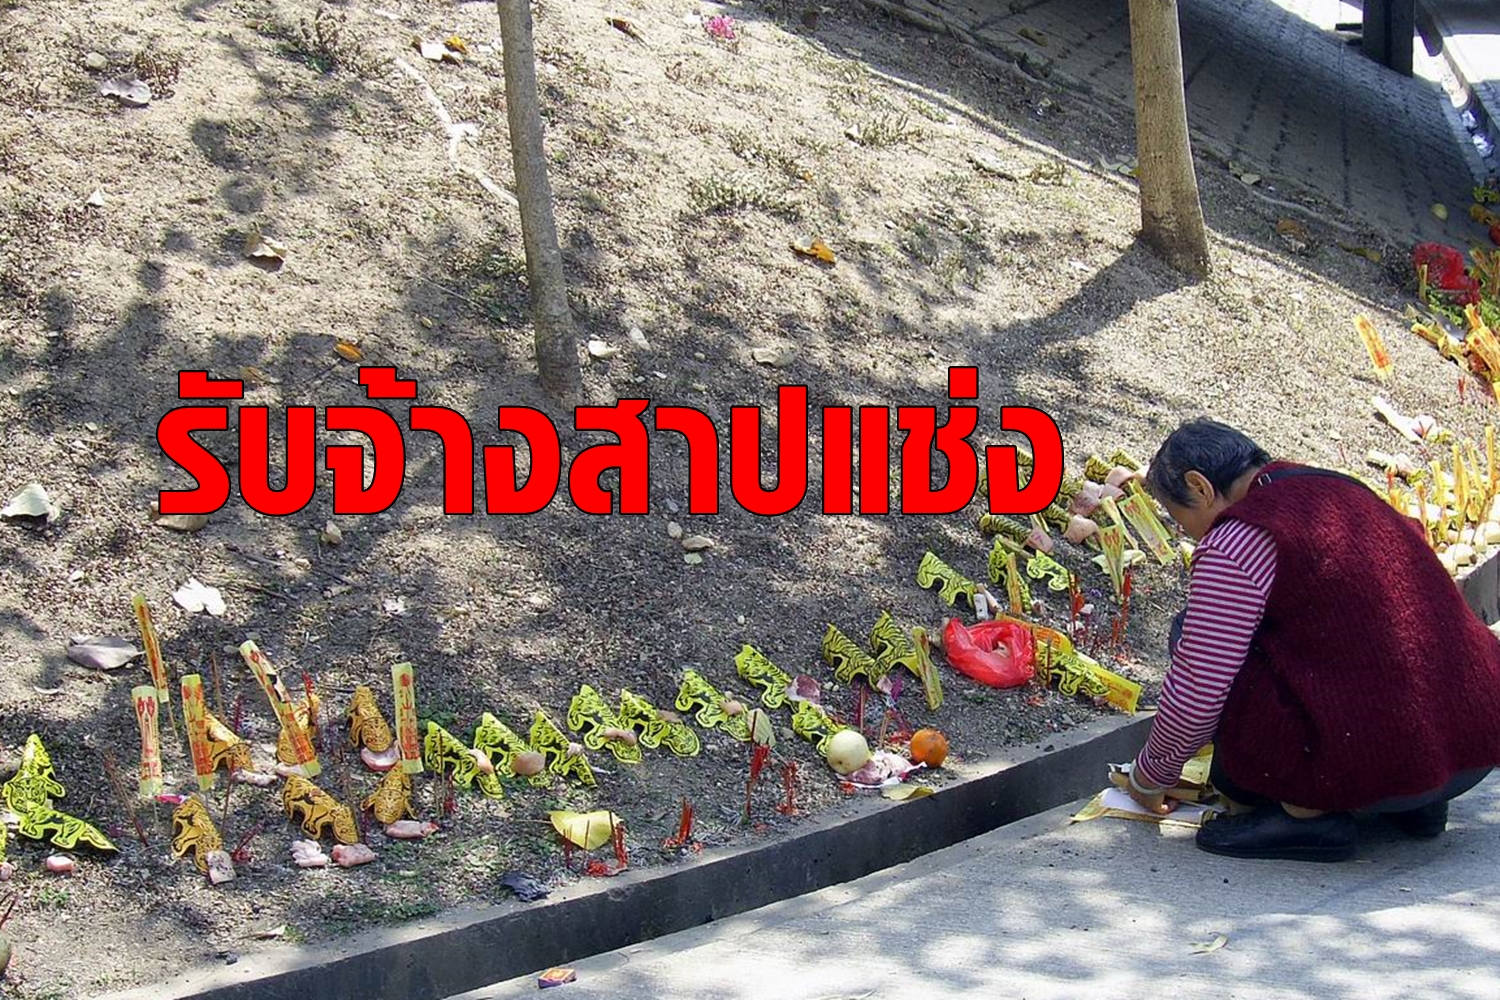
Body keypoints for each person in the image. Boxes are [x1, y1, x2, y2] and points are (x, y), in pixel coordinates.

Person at [1121, 418, 1500, 861]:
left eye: (1178, 516)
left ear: (1199, 487)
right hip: (1473, 744)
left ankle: (1307, 816)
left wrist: (1150, 776)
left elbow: (1200, 685)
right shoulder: (1341, 490)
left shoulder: (1238, 536)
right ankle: (1419, 804)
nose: (1186, 531)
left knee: (1192, 630)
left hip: (1381, 759)